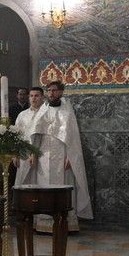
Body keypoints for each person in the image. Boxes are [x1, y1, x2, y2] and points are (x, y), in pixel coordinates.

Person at [42, 81, 92, 230]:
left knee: (63, 187)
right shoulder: (43, 110)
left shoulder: (67, 111)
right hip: (45, 156)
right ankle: (44, 224)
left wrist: (71, 157)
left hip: (63, 156)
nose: (51, 93)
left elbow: (73, 138)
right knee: (45, 187)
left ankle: (65, 224)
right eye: (48, 90)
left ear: (61, 92)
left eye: (54, 90)